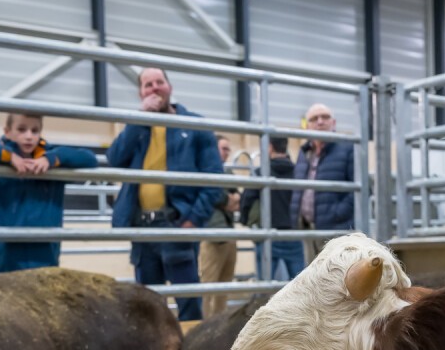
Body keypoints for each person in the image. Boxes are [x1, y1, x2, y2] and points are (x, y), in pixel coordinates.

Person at [107, 67, 224, 322]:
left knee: (188, 300)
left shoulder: (195, 125)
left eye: (159, 82)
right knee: (147, 302)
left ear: (169, 87)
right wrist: (139, 120)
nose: (154, 88)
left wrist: (193, 220)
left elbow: (214, 179)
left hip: (177, 225)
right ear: (141, 93)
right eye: (147, 85)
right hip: (142, 228)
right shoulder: (137, 127)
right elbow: (115, 159)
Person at [0, 113, 97, 274]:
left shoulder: (52, 162)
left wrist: (53, 158)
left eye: (35, 131)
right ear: (7, 131)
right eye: (21, 129)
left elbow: (90, 160)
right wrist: (5, 156)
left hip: (44, 257)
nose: (29, 136)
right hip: (2, 260)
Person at [289, 103, 354, 258]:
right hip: (307, 231)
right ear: (307, 126)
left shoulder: (348, 149)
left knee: (336, 276)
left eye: (325, 117)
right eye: (314, 119)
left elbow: (361, 189)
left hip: (336, 231)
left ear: (333, 123)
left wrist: (337, 214)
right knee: (312, 278)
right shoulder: (304, 153)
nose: (320, 121)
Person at [240, 136, 302, 280]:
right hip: (294, 234)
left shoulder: (260, 172)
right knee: (299, 285)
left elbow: (246, 201)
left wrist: (245, 220)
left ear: (269, 147)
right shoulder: (298, 173)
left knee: (265, 285)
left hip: (267, 235)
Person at [199, 135, 240, 318]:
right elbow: (213, 195)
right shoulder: (204, 170)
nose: (226, 153)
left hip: (229, 234)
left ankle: (219, 322)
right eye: (223, 148)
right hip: (213, 236)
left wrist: (226, 200)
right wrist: (226, 199)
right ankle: (205, 323)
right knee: (208, 284)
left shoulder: (227, 173)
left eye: (228, 150)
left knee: (225, 283)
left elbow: (238, 200)